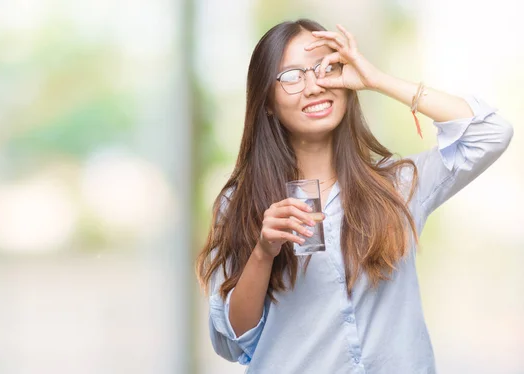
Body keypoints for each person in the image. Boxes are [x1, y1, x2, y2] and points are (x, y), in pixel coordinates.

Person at [195, 19, 513, 374]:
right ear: (266, 100)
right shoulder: (241, 204)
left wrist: (376, 80)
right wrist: (263, 252)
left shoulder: (397, 186)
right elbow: (234, 340)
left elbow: (490, 133)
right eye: (292, 76)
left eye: (325, 68)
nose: (314, 86)